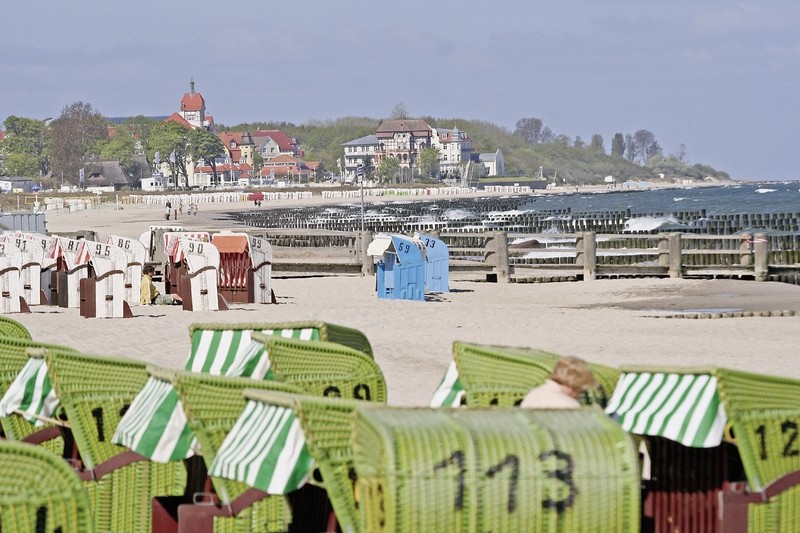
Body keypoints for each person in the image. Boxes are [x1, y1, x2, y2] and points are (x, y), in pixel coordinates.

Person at [520, 356, 597, 409]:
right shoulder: (569, 406)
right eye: (581, 389)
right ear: (574, 384)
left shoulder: (533, 395)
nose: (579, 394)